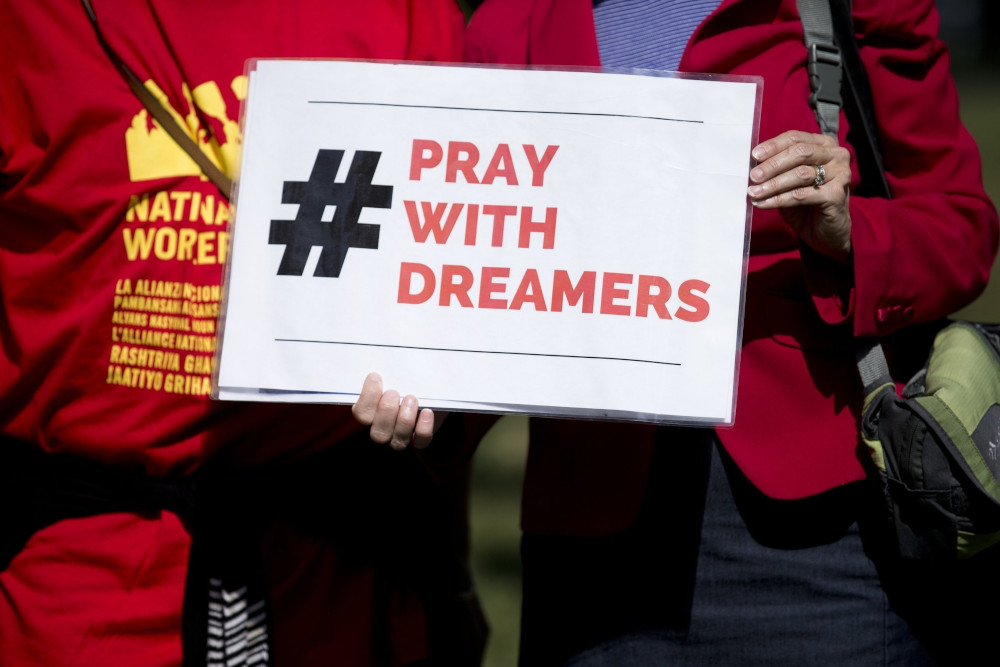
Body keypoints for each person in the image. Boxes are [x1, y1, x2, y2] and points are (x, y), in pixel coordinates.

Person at [461, 0, 1000, 664]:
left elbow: (961, 228)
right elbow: (475, 252)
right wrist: (417, 386)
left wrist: (849, 230)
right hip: (591, 531)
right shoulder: (511, 19)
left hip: (815, 532)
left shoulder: (855, 5)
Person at [0, 2, 488, 665]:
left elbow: (455, 299)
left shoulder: (410, 13)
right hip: (75, 581)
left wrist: (450, 566)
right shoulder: (30, 21)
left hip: (338, 577)